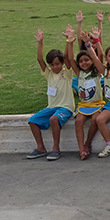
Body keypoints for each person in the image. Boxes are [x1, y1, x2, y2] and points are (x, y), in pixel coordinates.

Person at [27, 26, 76, 162]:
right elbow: (39, 60)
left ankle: (56, 148)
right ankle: (41, 147)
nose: (55, 67)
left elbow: (67, 57)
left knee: (54, 119)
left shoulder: (66, 73)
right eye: (52, 65)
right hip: (51, 108)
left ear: (61, 64)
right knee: (32, 121)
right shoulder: (48, 74)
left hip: (65, 107)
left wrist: (68, 40)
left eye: (57, 64)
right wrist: (40, 43)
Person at [69, 29, 106, 160]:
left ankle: (87, 143)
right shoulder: (79, 73)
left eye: (87, 60)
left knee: (96, 119)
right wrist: (69, 41)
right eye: (81, 61)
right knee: (78, 120)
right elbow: (69, 58)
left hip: (97, 103)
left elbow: (99, 56)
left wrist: (95, 41)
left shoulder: (96, 71)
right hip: (84, 104)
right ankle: (81, 149)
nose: (84, 63)